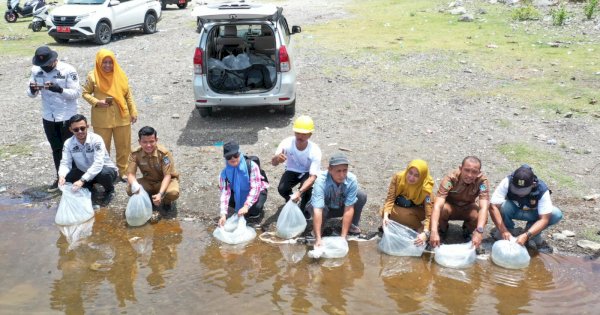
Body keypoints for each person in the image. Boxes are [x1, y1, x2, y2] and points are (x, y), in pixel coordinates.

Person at [27, 46, 81, 192]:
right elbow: (30, 94)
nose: (44, 68)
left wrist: (59, 89)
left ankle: (76, 179)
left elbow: (76, 93)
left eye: (47, 65)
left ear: (54, 60)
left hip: (67, 117)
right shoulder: (36, 70)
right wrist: (32, 90)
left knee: (71, 149)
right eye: (42, 65)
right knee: (56, 149)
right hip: (48, 116)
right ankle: (60, 178)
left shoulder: (68, 70)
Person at [82, 49, 138, 181]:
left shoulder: (120, 74)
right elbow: (85, 93)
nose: (107, 65)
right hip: (102, 119)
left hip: (122, 116)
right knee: (102, 148)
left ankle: (123, 171)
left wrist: (133, 111)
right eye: (104, 62)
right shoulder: (93, 76)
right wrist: (96, 102)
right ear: (98, 62)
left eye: (110, 62)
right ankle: (105, 172)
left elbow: (127, 95)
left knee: (124, 146)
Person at [488, 165, 563, 249]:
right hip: (513, 210)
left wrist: (527, 235)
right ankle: (508, 230)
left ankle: (532, 234)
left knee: (556, 214)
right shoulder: (507, 181)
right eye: (516, 189)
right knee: (502, 206)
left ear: (533, 184)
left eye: (523, 190)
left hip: (533, 213)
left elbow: (544, 219)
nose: (520, 193)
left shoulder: (542, 189)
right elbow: (493, 206)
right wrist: (503, 230)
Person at [306, 152, 367, 247]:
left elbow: (349, 208)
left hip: (341, 207)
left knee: (361, 196)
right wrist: (318, 238)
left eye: (345, 170)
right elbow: (318, 209)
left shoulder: (352, 179)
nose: (342, 175)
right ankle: (319, 229)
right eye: (338, 171)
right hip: (324, 209)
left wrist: (343, 238)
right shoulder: (321, 181)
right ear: (330, 169)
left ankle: (350, 225)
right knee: (312, 205)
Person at [429, 156, 490, 248]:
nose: (470, 175)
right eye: (467, 170)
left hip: (468, 207)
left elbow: (484, 207)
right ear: (461, 169)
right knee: (441, 209)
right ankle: (442, 230)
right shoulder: (451, 179)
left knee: (481, 215)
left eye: (474, 172)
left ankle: (468, 231)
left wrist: (479, 231)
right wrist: (433, 231)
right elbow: (437, 205)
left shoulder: (482, 182)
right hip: (450, 207)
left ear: (479, 173)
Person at [57, 114, 118, 206]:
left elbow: (98, 163)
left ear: (87, 127)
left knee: (104, 174)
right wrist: (61, 176)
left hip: (103, 170)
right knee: (68, 178)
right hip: (84, 171)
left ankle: (110, 190)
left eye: (82, 128)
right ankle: (89, 188)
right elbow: (65, 163)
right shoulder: (68, 143)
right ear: (70, 130)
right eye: (76, 129)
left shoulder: (96, 139)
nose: (80, 131)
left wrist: (82, 180)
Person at [271, 115, 322, 215]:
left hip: (307, 172)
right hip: (292, 170)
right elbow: (273, 163)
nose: (300, 136)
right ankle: (291, 200)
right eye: (297, 133)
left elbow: (312, 177)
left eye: (304, 134)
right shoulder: (286, 143)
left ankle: (305, 208)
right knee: (282, 189)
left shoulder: (315, 150)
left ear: (310, 135)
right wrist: (277, 158)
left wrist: (300, 192)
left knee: (307, 190)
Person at [380, 159, 435, 246]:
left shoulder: (426, 189)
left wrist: (426, 233)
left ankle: (418, 227)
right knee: (384, 212)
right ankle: (405, 225)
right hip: (401, 206)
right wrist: (386, 217)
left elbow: (429, 214)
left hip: (418, 211)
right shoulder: (398, 178)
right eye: (410, 173)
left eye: (416, 175)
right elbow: (390, 199)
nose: (411, 177)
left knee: (404, 215)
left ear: (422, 177)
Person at [126, 126, 179, 212]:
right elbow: (130, 174)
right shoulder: (135, 154)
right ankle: (149, 197)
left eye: (151, 141)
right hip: (149, 181)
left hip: (165, 181)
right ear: (139, 142)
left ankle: (166, 201)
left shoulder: (164, 153)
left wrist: (160, 194)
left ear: (156, 140)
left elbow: (167, 176)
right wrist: (135, 185)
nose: (148, 145)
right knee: (130, 189)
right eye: (144, 142)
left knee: (172, 193)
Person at [218, 141, 269, 227]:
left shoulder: (252, 166)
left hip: (257, 190)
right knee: (230, 205)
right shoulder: (225, 173)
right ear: (225, 158)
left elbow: (255, 188)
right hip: (238, 192)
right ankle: (242, 206)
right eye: (229, 157)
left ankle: (256, 215)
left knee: (254, 208)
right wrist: (223, 214)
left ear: (239, 153)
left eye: (235, 155)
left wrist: (246, 206)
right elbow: (225, 192)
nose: (233, 158)